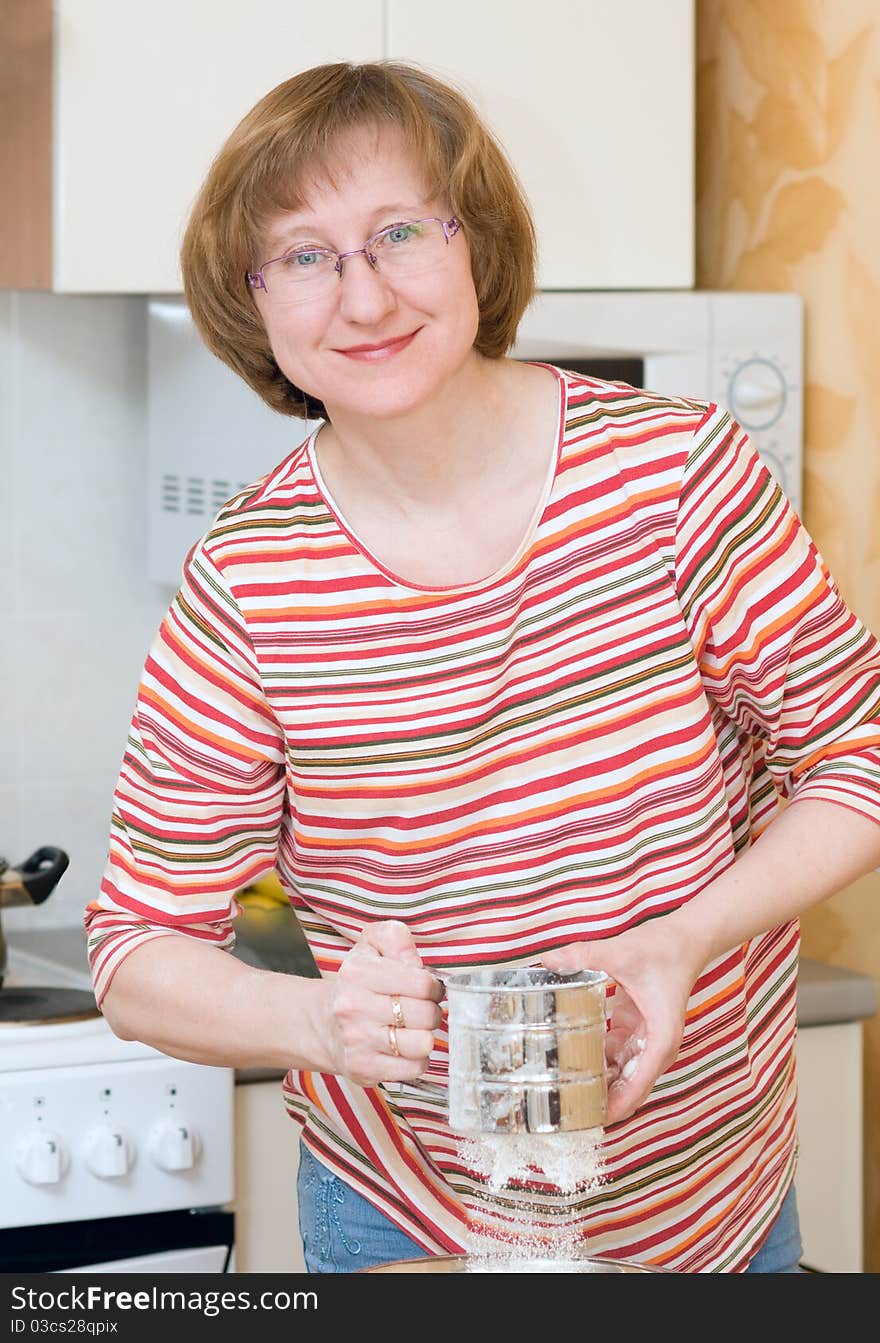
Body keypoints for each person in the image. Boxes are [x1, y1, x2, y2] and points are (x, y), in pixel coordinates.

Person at [85, 59, 880, 1275]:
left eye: (399, 231)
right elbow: (137, 950)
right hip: (409, 1218)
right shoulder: (246, 582)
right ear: (253, 300)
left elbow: (857, 758)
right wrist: (320, 1018)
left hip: (714, 1204)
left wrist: (681, 936)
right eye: (302, 255)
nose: (362, 297)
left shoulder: (674, 477)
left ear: (476, 241)